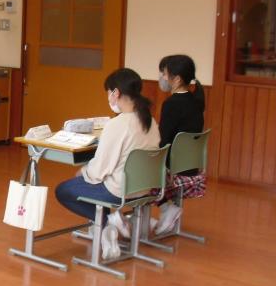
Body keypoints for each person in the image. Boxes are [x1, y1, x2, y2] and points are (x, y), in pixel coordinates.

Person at [54, 68, 160, 259]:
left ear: (116, 93)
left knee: (63, 190)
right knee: (91, 182)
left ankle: (107, 223)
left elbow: (100, 170)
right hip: (144, 188)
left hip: (119, 190)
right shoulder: (150, 121)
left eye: (109, 93)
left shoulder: (117, 124)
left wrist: (83, 172)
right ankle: (111, 223)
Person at [153, 54, 206, 234]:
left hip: (173, 167)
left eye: (164, 74)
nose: (162, 77)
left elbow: (163, 140)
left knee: (138, 168)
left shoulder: (171, 104)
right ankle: (164, 213)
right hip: (190, 164)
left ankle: (166, 209)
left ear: (176, 79)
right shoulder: (196, 101)